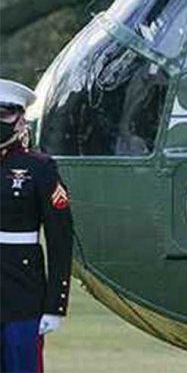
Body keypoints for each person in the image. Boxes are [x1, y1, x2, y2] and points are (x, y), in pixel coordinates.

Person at [0, 79, 73, 373]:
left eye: (4, 114)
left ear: (20, 119)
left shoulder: (40, 168)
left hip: (23, 294)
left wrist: (55, 304)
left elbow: (60, 240)